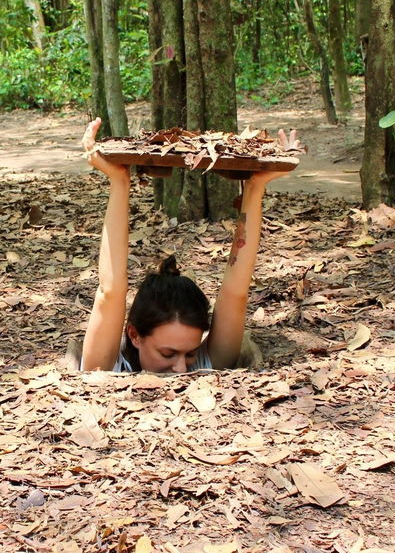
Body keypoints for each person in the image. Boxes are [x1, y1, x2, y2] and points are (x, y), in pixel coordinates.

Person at [80, 118, 299, 373]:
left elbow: (235, 292)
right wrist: (119, 182)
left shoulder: (208, 364)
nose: (181, 370)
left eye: (191, 354)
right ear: (135, 336)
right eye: (168, 353)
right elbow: (111, 290)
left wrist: (256, 186)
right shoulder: (106, 365)